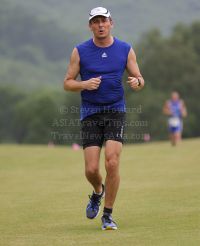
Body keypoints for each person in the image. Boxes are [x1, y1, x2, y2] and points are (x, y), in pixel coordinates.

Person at [63, 7, 144, 230]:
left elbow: (138, 77)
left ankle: (107, 215)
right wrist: (83, 84)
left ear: (111, 24)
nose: (100, 25)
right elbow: (67, 82)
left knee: (113, 162)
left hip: (116, 110)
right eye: (95, 21)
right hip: (90, 112)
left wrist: (138, 82)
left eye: (104, 21)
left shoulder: (125, 49)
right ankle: (98, 192)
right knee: (91, 170)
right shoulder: (80, 51)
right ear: (90, 26)